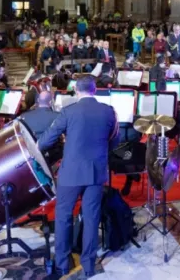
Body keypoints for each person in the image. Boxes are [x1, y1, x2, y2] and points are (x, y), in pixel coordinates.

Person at [38, 76, 118, 278]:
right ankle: (89, 265)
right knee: (92, 218)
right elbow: (114, 141)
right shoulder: (108, 111)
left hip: (71, 172)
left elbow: (46, 141)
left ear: (75, 90)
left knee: (64, 216)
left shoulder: (68, 111)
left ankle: (63, 263)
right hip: (96, 171)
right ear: (95, 89)